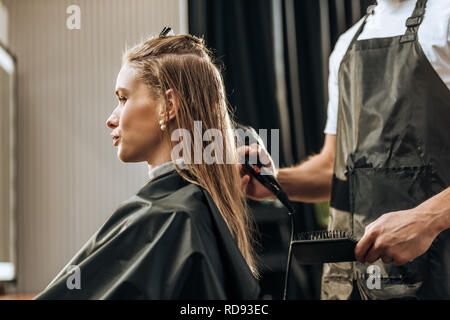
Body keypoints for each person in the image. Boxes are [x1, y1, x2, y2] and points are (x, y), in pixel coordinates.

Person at [241, 0, 450, 299]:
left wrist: (428, 219)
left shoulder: (444, 19)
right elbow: (332, 169)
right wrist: (273, 182)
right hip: (350, 281)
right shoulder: (346, 44)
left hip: (436, 274)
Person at [34, 31, 260, 299]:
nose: (111, 118)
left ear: (168, 106)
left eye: (123, 98)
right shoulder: (190, 211)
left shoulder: (173, 217)